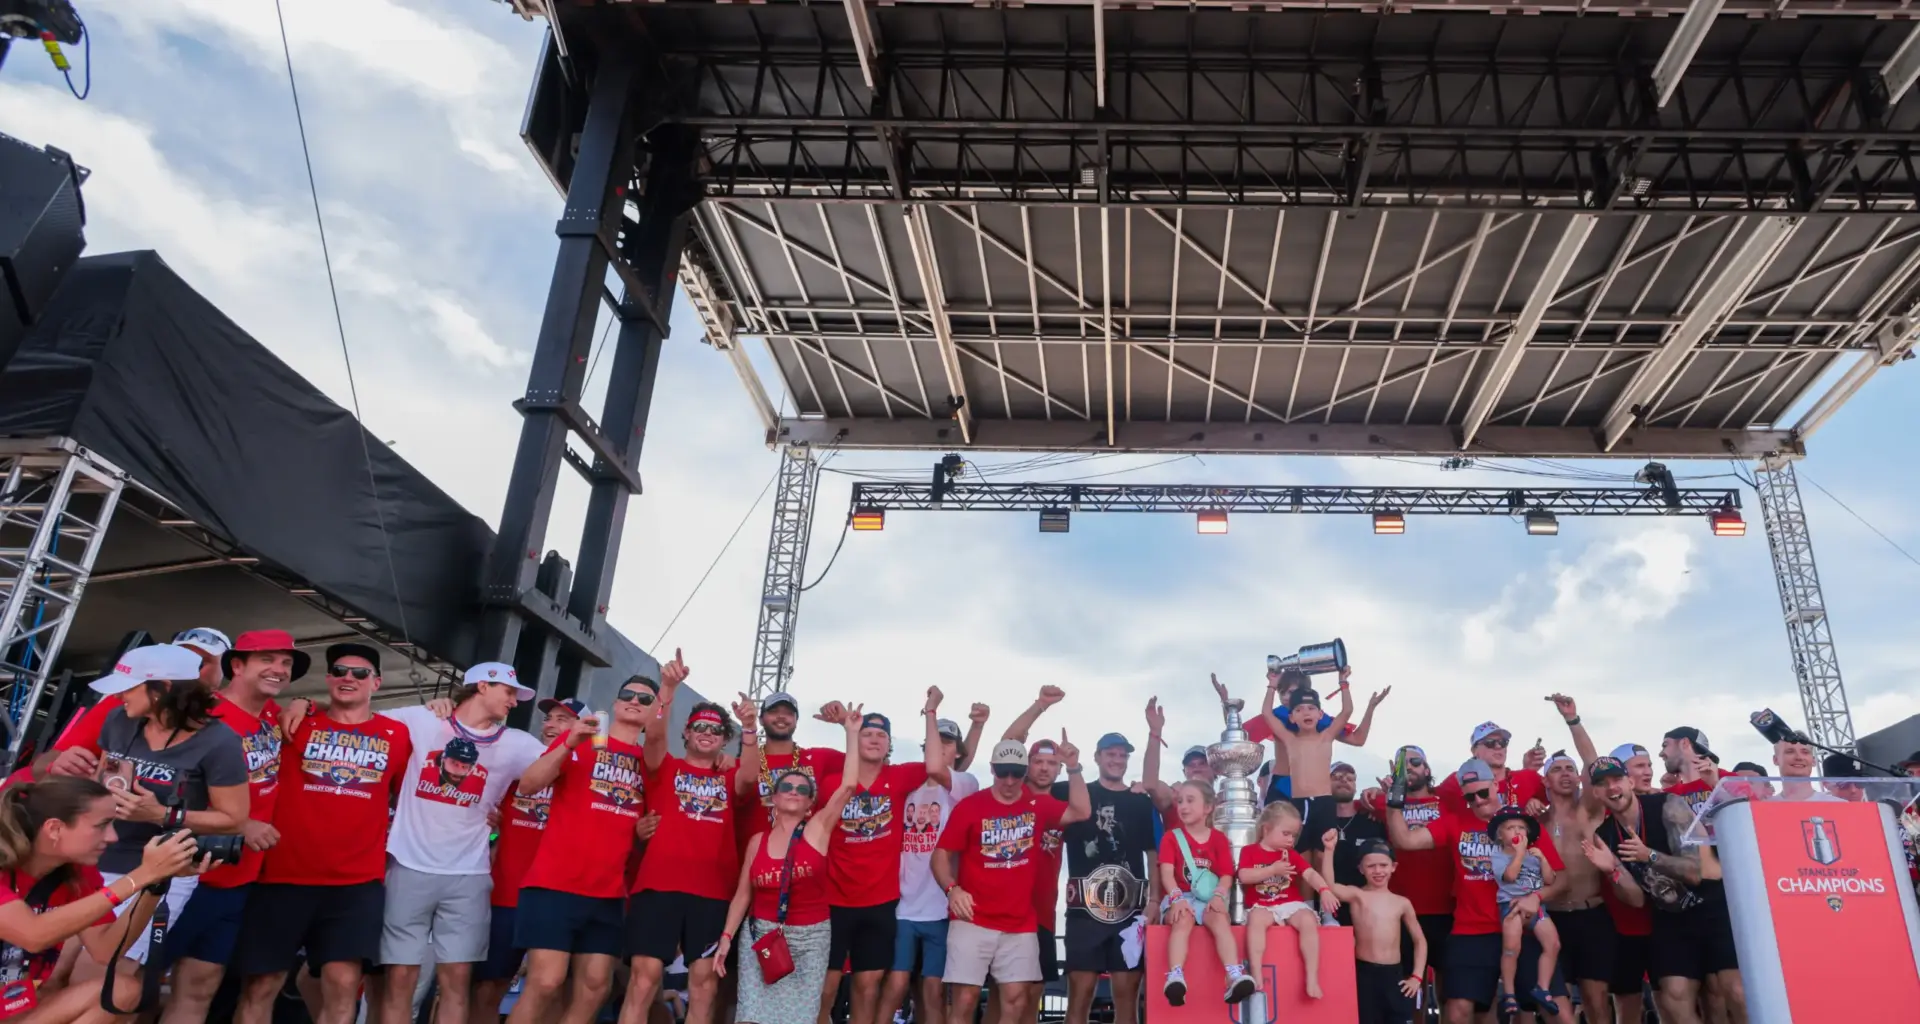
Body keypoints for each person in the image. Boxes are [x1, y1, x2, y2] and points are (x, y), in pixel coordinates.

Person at [232, 643, 412, 1024]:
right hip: (282, 876)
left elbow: (418, 795)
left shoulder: (398, 735)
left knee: (343, 985)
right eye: (340, 671)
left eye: (360, 673)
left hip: (355, 884)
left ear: (376, 683)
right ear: (328, 680)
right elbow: (243, 703)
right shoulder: (294, 722)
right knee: (260, 987)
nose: (349, 678)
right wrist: (301, 702)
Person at [377, 661, 545, 1024]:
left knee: (456, 980)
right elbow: (356, 719)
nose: (514, 702)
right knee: (400, 978)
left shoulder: (518, 744)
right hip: (408, 866)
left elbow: (564, 768)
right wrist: (305, 706)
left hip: (469, 874)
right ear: (482, 687)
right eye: (508, 692)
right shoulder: (423, 720)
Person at [505, 674, 666, 1024]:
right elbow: (528, 786)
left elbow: (647, 827)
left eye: (646, 699)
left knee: (595, 987)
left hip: (607, 891)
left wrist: (641, 833)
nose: (636, 700)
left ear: (656, 712)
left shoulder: (650, 762)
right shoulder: (581, 739)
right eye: (629, 694)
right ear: (615, 701)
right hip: (555, 883)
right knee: (546, 982)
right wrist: (568, 743)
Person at [165, 629, 303, 1024]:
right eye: (267, 660)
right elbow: (171, 789)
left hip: (237, 882)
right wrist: (241, 824)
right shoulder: (203, 714)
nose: (279, 670)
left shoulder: (275, 718)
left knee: (199, 988)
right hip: (186, 874)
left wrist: (303, 702)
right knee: (131, 984)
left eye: (286, 663)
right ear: (237, 666)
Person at [85, 643, 249, 969]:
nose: (119, 696)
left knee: (106, 974)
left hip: (160, 869)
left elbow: (234, 819)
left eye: (128, 687)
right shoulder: (119, 719)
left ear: (163, 689)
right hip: (95, 859)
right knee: (57, 970)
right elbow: (101, 781)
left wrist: (162, 814)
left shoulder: (220, 741)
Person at [0, 775, 209, 1024]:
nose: (113, 837)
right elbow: (33, 935)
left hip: (14, 1006)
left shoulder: (75, 872)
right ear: (54, 828)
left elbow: (106, 950)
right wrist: (141, 874)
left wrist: (155, 883)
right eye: (102, 825)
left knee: (121, 991)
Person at [1384, 759, 1573, 1024]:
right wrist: (1394, 801)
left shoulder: (1523, 824)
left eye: (1483, 792)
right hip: (1472, 930)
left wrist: (1536, 897)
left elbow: (1561, 880)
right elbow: (1405, 840)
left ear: (1496, 785)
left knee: (1560, 1012)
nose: (1479, 801)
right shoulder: (1454, 821)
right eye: (1470, 797)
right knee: (1457, 1009)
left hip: (1525, 925)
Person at [717, 709, 862, 1024]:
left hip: (810, 938)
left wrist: (850, 732)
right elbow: (743, 895)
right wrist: (726, 938)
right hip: (762, 935)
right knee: (751, 1016)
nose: (794, 792)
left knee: (797, 1018)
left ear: (811, 801)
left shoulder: (818, 829)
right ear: (774, 797)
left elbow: (849, 785)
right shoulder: (757, 841)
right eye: (787, 788)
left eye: (802, 789)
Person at [618, 651, 740, 1024]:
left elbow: (753, 772)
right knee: (643, 981)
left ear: (724, 740)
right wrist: (667, 688)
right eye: (699, 727)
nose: (706, 733)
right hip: (658, 887)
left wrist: (746, 735)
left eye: (715, 730)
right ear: (686, 732)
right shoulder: (664, 766)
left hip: (713, 893)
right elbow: (654, 734)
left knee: (704, 984)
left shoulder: (732, 776)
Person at [813, 692, 949, 1024]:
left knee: (868, 986)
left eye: (881, 735)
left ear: (889, 744)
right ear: (855, 740)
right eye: (867, 734)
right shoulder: (832, 782)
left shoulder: (899, 777)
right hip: (833, 899)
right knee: (825, 987)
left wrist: (931, 711)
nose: (874, 740)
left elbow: (935, 765)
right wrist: (842, 723)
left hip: (880, 902)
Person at [934, 737, 1088, 1024]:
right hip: (972, 920)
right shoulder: (970, 806)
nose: (1008, 779)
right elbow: (941, 854)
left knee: (1017, 1001)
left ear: (1024, 773)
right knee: (965, 1000)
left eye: (1016, 773)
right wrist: (952, 889)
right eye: (1002, 771)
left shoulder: (1038, 805)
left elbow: (1081, 811)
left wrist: (1074, 767)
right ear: (992, 768)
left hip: (1020, 924)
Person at [1590, 738, 1739, 1024]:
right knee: (1674, 995)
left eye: (1617, 779)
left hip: (1712, 906)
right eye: (1602, 783)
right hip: (1670, 917)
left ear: (1629, 783)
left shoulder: (1667, 804)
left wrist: (1650, 856)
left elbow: (1695, 871)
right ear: (1596, 793)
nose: (1612, 788)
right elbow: (1636, 899)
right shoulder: (1605, 834)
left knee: (1735, 990)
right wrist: (1613, 872)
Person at [469, 697, 578, 1024]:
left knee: (552, 989)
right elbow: (482, 819)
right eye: (549, 718)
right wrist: (492, 833)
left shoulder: (584, 776)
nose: (551, 725)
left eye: (563, 719)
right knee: (489, 987)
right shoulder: (515, 767)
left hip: (558, 898)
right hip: (506, 894)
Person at [1055, 702, 1162, 1024]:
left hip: (1130, 912)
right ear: (1097, 757)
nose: (1117, 760)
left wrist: (1155, 899)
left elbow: (1153, 853)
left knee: (1127, 1000)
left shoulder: (1139, 801)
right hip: (1083, 912)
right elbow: (1031, 787)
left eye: (1122, 755)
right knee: (1079, 997)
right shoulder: (1073, 792)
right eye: (1110, 754)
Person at [877, 711, 983, 1024]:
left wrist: (935, 710)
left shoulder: (963, 785)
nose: (938, 748)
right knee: (895, 985)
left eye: (947, 743)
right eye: (934, 743)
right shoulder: (909, 786)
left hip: (940, 909)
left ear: (958, 752)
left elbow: (941, 768)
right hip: (903, 906)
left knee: (933, 989)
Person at [38, 630, 232, 783]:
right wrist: (60, 766)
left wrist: (163, 815)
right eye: (178, 657)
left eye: (200, 662)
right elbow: (42, 765)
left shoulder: (225, 725)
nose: (186, 668)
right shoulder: (121, 709)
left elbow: (232, 812)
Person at [1539, 697, 1617, 1024]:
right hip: (1551, 917)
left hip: (1591, 914)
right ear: (1545, 781)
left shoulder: (1589, 810)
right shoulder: (1537, 821)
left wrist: (1573, 720)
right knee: (1554, 1004)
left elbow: (1592, 762)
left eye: (1570, 769)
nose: (1566, 774)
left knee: (1596, 998)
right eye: (1557, 769)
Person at [995, 686, 1069, 1002]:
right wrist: (1040, 706)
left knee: (1034, 990)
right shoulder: (1014, 791)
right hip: (1003, 911)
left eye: (1051, 764)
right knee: (1001, 993)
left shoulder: (1066, 797)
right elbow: (1007, 744)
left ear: (1060, 768)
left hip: (1042, 913)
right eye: (1037, 761)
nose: (1043, 768)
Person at [1365, 745, 1453, 996]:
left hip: (1445, 909)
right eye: (1403, 763)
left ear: (1427, 769)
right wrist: (1369, 794)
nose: (1410, 768)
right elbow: (1361, 801)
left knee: (1449, 990)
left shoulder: (1447, 802)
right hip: (1401, 909)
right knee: (1408, 987)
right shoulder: (1383, 802)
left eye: (1415, 762)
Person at [1155, 781, 1248, 1006]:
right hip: (1180, 896)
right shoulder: (1171, 837)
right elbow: (1166, 874)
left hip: (1208, 898)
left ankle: (1233, 974)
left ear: (1208, 807)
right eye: (1180, 801)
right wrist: (1176, 898)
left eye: (1190, 800)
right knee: (1183, 919)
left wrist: (1218, 896)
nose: (1183, 807)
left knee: (1218, 918)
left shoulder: (1218, 839)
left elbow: (1227, 873)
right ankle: (1175, 974)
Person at [1315, 840, 1424, 1024]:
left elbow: (1420, 941)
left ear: (1393, 867)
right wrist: (1329, 849)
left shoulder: (1402, 902)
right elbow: (1330, 886)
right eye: (1371, 866)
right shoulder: (1358, 896)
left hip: (1395, 976)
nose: (1378, 871)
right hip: (1365, 974)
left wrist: (1416, 976)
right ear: (1361, 869)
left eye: (1383, 865)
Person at [1237, 802, 1331, 1001]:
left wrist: (1323, 889)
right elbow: (1244, 876)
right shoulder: (1250, 851)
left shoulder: (1292, 855)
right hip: (1261, 904)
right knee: (1256, 921)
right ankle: (1255, 972)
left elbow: (1310, 874)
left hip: (1290, 903)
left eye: (1294, 835)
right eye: (1286, 833)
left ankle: (1312, 976)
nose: (1291, 839)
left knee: (1308, 920)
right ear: (1266, 829)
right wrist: (1272, 870)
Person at [1245, 669, 1382, 803]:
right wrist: (1229, 708)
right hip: (1282, 784)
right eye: (1282, 692)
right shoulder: (1274, 716)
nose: (1286, 697)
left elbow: (1358, 739)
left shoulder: (1320, 719)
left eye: (1291, 692)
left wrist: (1371, 708)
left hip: (1314, 791)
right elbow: (1241, 736)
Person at [1254, 681, 1353, 859]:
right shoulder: (1290, 740)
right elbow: (1267, 714)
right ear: (1291, 717)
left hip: (1324, 803)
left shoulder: (1327, 736)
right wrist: (1271, 685)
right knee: (1301, 859)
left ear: (1320, 714)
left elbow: (1347, 711)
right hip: (1298, 803)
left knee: (1324, 858)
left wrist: (1343, 683)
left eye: (1310, 708)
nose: (1306, 712)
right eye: (1299, 709)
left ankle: (1325, 888)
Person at [738, 693, 847, 845]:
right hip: (756, 861)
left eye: (789, 713)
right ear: (761, 719)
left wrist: (846, 722)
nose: (781, 716)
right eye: (774, 711)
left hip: (805, 860)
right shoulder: (746, 764)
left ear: (796, 721)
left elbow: (869, 760)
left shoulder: (819, 758)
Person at [1489, 808, 1560, 1017]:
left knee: (1553, 944)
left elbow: (1549, 880)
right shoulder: (1499, 855)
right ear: (1500, 835)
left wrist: (1543, 860)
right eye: (1511, 828)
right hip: (1510, 906)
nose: (1517, 831)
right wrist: (1519, 853)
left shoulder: (1534, 854)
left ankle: (1543, 987)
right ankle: (1509, 994)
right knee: (1511, 947)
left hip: (1536, 907)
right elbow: (1509, 877)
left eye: (1521, 827)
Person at [1436, 722, 1546, 817]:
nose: (1498, 747)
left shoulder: (1528, 777)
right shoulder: (1458, 779)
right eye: (1490, 743)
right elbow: (1424, 799)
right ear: (1474, 750)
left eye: (1503, 742)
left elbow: (1561, 800)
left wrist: (1535, 800)